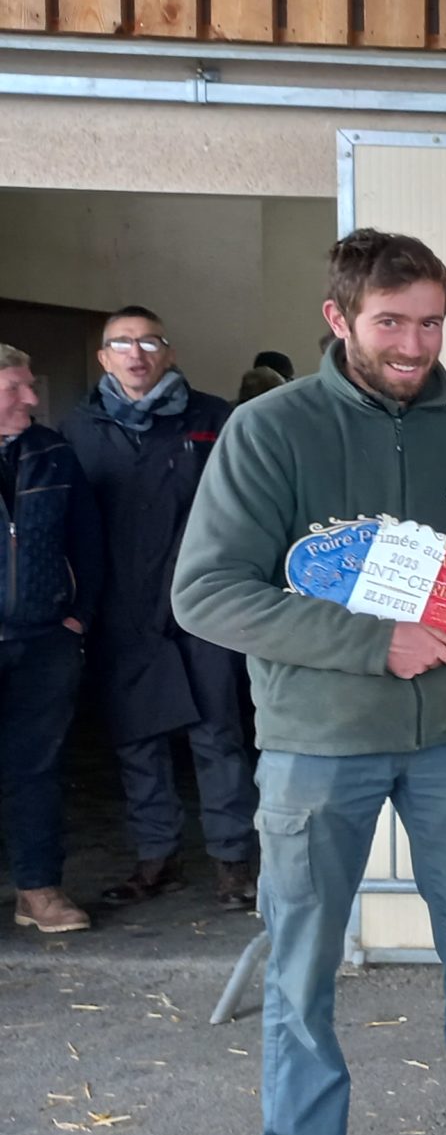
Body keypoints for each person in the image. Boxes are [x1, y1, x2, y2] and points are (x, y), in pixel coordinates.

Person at [172, 230, 446, 1135]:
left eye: (430, 321)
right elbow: (205, 592)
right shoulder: (270, 432)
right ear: (338, 318)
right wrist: (369, 644)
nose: (414, 341)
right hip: (320, 739)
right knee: (304, 956)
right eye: (392, 321)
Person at [62, 309, 260, 915]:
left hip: (202, 604)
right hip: (121, 608)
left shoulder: (211, 418)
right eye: (121, 343)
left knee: (218, 735)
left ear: (167, 352)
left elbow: (244, 505)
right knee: (136, 738)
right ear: (104, 358)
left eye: (148, 342)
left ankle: (233, 862)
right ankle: (157, 858)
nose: (135, 353)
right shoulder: (79, 427)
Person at [0, 344, 103, 936]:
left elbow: (88, 541)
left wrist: (79, 615)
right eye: (15, 388)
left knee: (34, 769)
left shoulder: (52, 452)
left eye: (30, 385)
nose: (33, 398)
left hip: (44, 639)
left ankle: (37, 890)